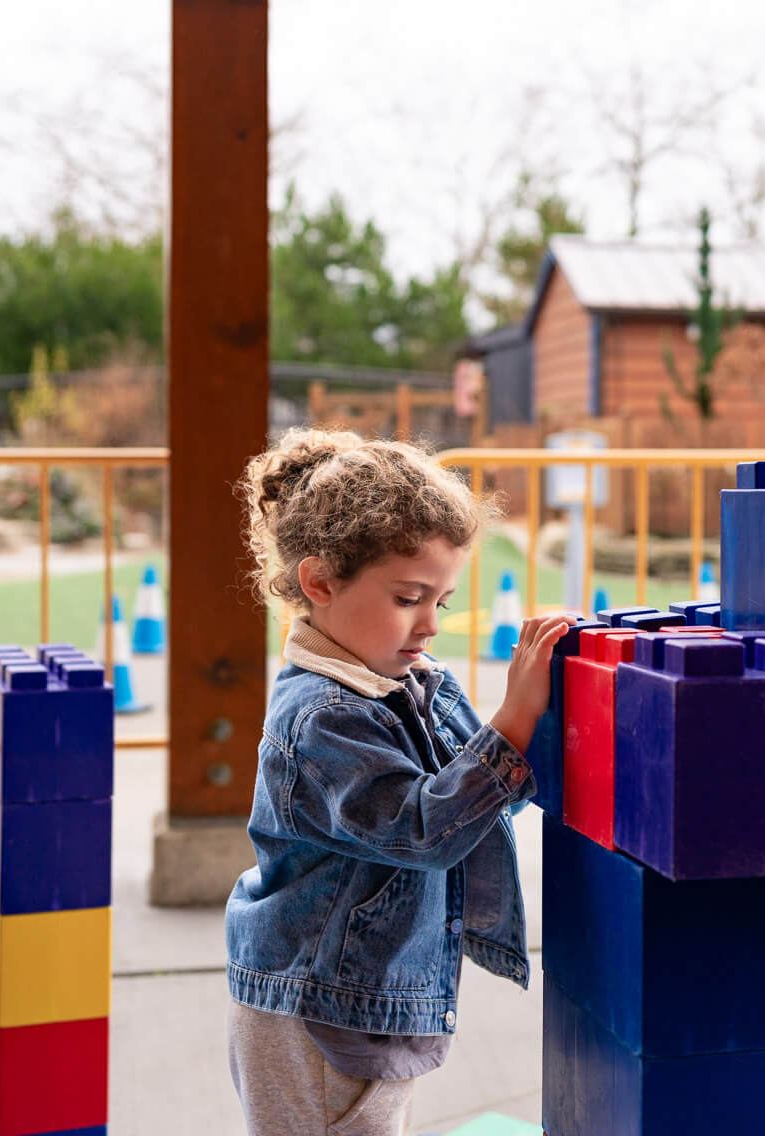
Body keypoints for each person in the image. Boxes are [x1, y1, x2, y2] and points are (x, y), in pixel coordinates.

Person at [225, 427, 570, 1134]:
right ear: (319, 582)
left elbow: (495, 783)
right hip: (315, 1014)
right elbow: (424, 829)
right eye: (410, 597)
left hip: (365, 1005)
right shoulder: (320, 719)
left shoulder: (405, 683)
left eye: (440, 601)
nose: (430, 625)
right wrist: (514, 716)